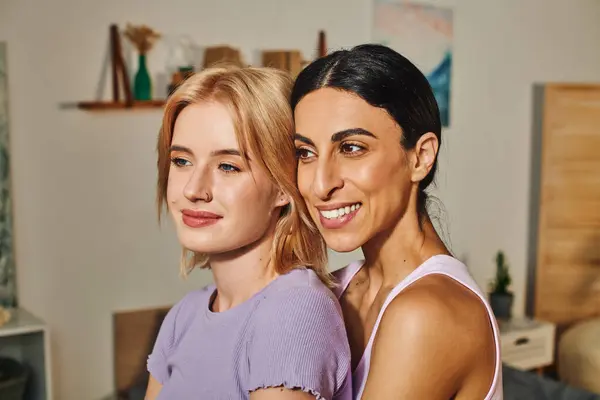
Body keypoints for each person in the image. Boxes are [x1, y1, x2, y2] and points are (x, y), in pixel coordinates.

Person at [290, 44, 503, 400]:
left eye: (352, 148)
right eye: (306, 153)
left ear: (420, 157)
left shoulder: (427, 315)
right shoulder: (336, 290)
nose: (321, 184)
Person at [145, 65, 352, 399]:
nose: (194, 190)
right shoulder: (184, 315)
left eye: (228, 166)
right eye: (182, 161)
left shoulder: (294, 310)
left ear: (284, 185)